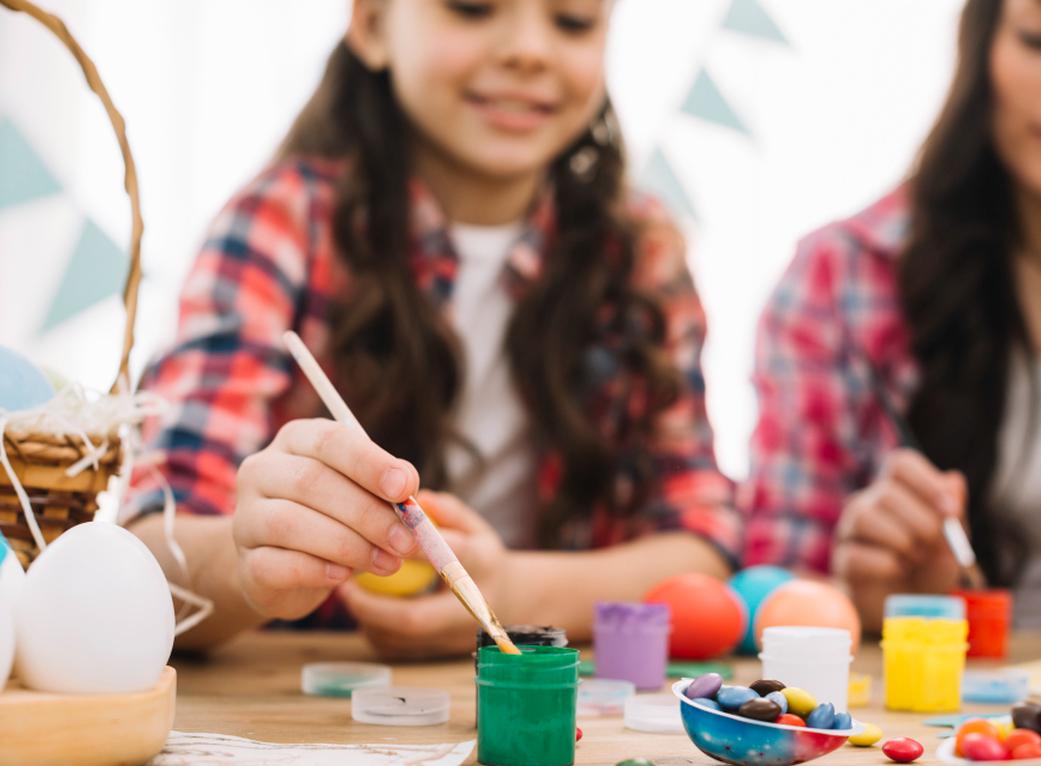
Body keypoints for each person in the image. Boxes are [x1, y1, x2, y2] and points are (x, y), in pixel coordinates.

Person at [125, 0, 739, 658]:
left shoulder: (640, 256)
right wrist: (252, 564)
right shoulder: (281, 223)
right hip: (312, 713)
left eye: (573, 21)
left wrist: (513, 591)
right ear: (372, 24)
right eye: (472, 8)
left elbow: (703, 548)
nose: (529, 50)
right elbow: (152, 549)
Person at [743, 0, 1041, 632]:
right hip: (914, 710)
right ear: (984, 42)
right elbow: (764, 592)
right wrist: (860, 596)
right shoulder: (842, 276)